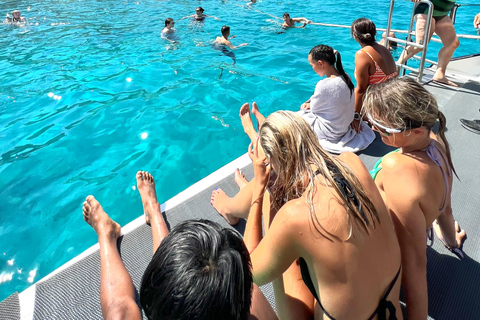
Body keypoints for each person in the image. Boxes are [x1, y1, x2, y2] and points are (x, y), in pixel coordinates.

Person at [214, 111, 403, 319]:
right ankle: (241, 190)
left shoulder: (294, 216)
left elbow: (250, 273)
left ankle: (232, 207)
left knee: (272, 201)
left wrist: (259, 186)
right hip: (393, 312)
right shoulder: (352, 163)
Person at [83, 171, 277, 320]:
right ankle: (153, 211)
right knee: (177, 270)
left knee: (120, 311)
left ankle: (107, 234)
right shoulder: (247, 297)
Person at [362, 78, 467, 319]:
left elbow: (416, 266)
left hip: (380, 256)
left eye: (381, 126)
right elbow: (445, 208)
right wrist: (451, 240)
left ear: (416, 131)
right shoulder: (436, 144)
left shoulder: (395, 167)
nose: (374, 130)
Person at [397, 0, 460, 86]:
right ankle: (397, 65)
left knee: (453, 43)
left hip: (442, 14)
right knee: (419, 45)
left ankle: (440, 74)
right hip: (426, 10)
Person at [351, 18, 397, 133]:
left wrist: (356, 117)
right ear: (374, 33)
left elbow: (361, 90)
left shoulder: (363, 54)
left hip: (377, 107)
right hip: (390, 103)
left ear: (355, 36)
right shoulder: (384, 49)